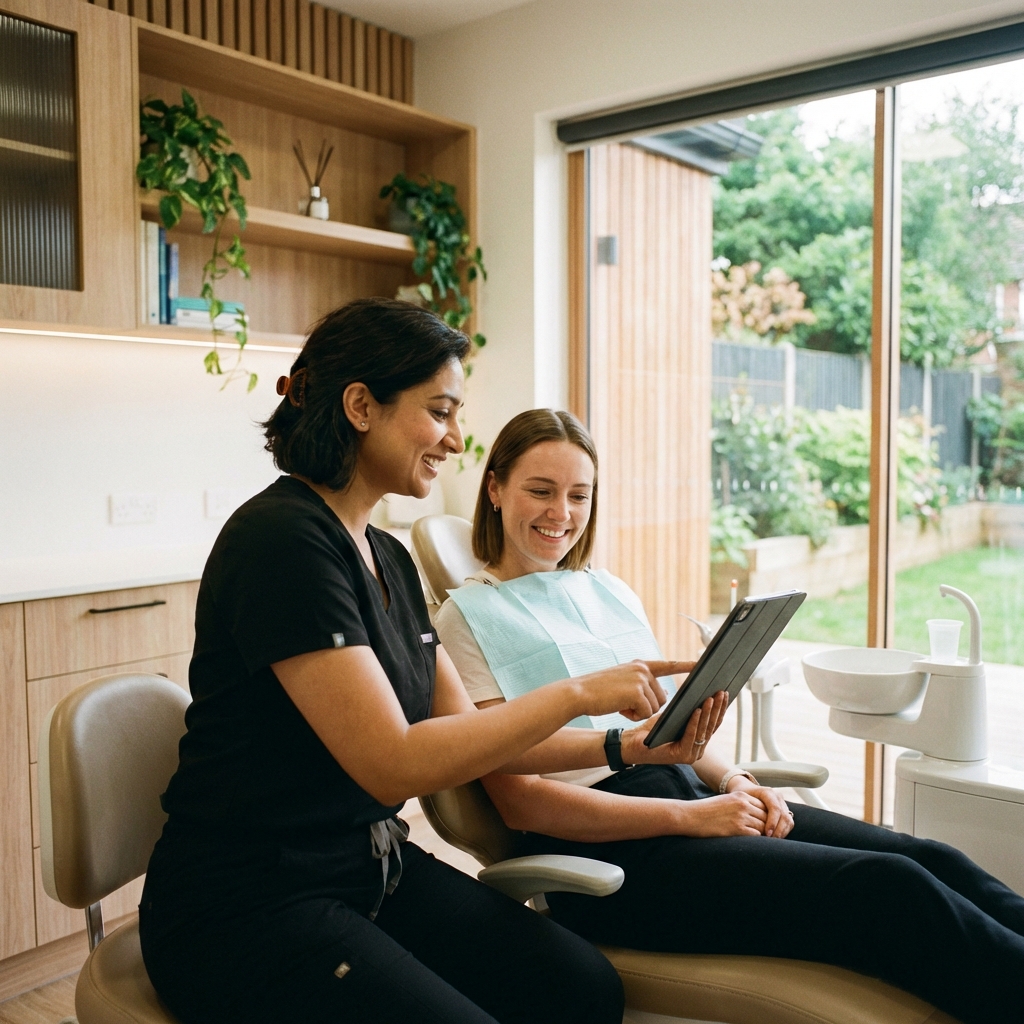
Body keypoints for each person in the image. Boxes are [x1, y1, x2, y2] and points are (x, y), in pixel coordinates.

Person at [139, 300, 688, 1024]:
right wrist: (579, 690)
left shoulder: (389, 557)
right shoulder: (282, 546)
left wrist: (623, 744)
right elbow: (394, 763)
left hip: (365, 867)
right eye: (439, 411)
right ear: (361, 406)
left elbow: (472, 739)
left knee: (580, 986)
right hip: (245, 901)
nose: (456, 440)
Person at [435, 407, 1024, 1024]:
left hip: (689, 802)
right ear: (495, 488)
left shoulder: (604, 591)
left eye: (579, 495)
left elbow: (672, 732)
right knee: (887, 889)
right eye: (540, 491)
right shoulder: (465, 620)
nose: (562, 513)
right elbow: (522, 803)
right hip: (612, 857)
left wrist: (736, 781)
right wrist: (691, 818)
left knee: (929, 858)